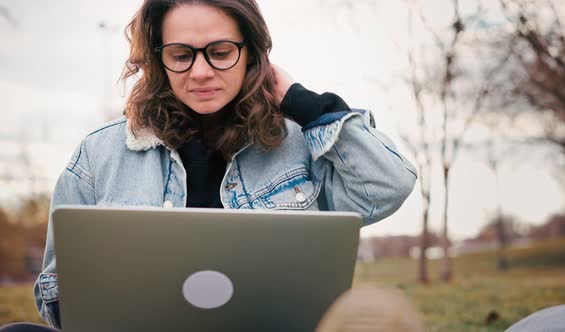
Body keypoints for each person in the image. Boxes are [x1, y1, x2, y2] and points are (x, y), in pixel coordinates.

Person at [1, 0, 418, 330]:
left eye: (220, 52)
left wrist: (304, 103)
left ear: (251, 53)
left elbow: (386, 185)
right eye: (181, 55)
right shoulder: (99, 155)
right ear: (158, 59)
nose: (200, 72)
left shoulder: (299, 142)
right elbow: (55, 294)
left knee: (376, 315)